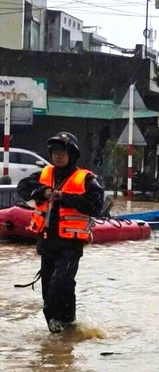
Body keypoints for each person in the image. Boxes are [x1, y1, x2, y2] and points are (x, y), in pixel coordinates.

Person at [16, 131, 104, 332]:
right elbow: (23, 187)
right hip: (47, 243)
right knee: (49, 290)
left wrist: (64, 197)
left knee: (60, 284)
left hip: (70, 246)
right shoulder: (44, 174)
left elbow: (96, 204)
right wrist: (43, 192)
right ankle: (64, 333)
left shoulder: (86, 179)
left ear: (72, 153)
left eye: (62, 151)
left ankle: (61, 329)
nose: (57, 155)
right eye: (54, 151)